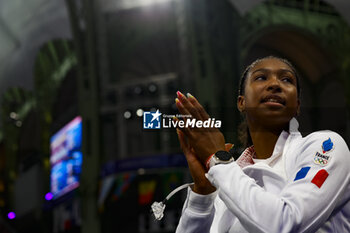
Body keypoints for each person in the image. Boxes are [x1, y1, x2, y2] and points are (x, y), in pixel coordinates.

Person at [174, 56, 350, 232]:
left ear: (297, 105)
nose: (275, 84)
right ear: (241, 102)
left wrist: (218, 161)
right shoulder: (228, 176)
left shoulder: (325, 146)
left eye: (286, 79)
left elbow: (286, 224)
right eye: (261, 77)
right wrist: (202, 194)